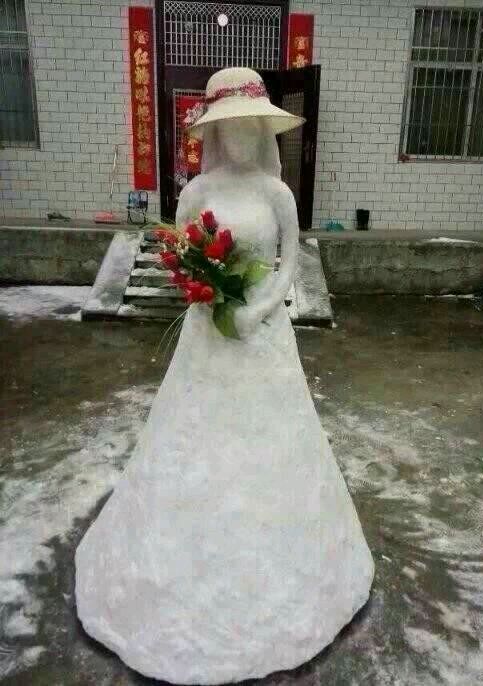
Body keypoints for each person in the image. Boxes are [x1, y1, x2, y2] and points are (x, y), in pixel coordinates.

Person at [75, 67, 374, 684]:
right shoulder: (197, 190)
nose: (238, 137)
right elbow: (182, 252)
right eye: (226, 128)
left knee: (272, 441)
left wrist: (261, 306)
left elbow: (288, 259)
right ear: (213, 133)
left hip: (262, 334)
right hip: (208, 335)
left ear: (262, 130)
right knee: (193, 436)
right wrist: (204, 291)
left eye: (247, 127)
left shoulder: (277, 193)